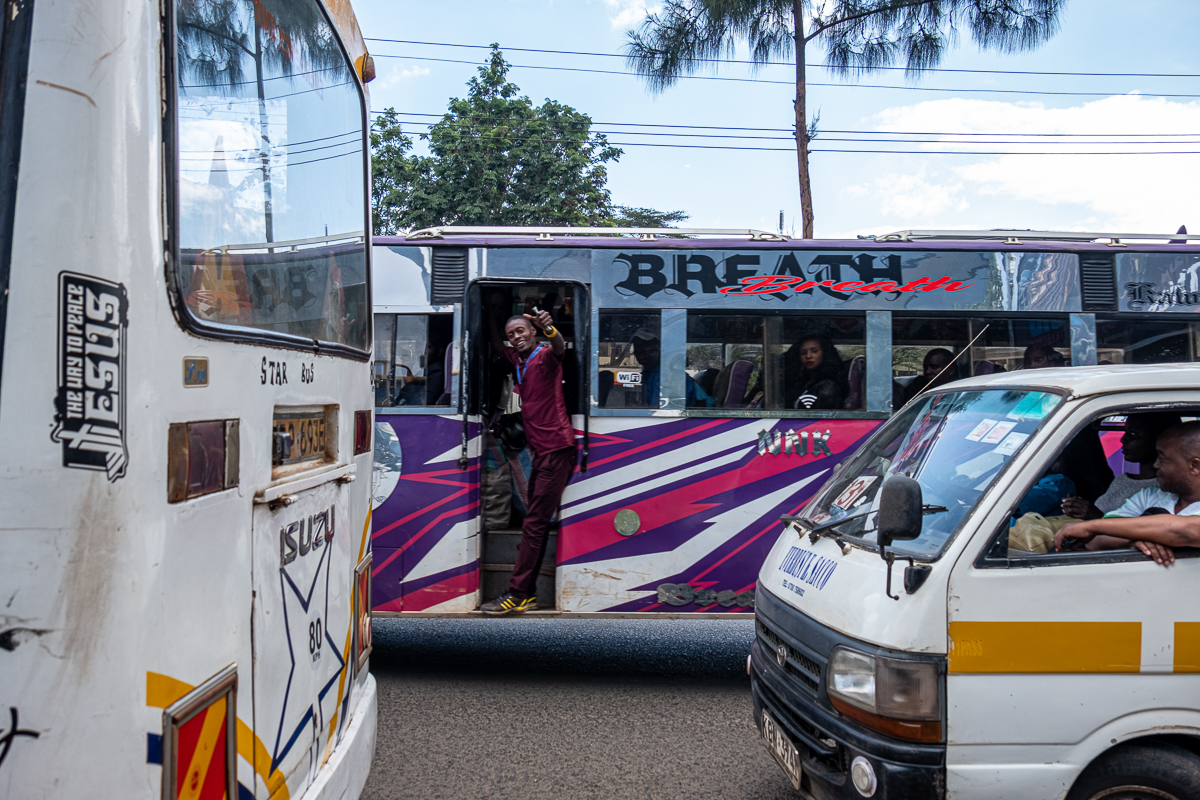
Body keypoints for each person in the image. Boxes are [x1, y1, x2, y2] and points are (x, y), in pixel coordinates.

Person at [480, 310, 577, 614]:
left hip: (557, 450)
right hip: (542, 452)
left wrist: (550, 328)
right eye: (512, 334)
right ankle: (528, 593)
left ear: (533, 332)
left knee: (534, 524)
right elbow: (499, 347)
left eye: (521, 331)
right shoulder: (519, 361)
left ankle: (518, 593)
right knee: (532, 522)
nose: (517, 337)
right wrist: (491, 309)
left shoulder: (545, 356)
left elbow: (560, 347)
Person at [1053, 421, 1200, 566]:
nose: (1156, 465)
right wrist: (1132, 541)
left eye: (1162, 458)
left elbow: (1189, 531)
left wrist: (1090, 527)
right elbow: (1097, 539)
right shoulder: (1150, 495)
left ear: (1195, 466)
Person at [1062, 412, 1181, 520]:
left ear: (1160, 439)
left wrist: (1095, 517)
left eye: (1133, 434)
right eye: (1125, 432)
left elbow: (1135, 532)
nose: (1123, 439)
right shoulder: (1124, 481)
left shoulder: (1163, 490)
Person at [782, 334, 847, 410]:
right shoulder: (801, 382)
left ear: (825, 354)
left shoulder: (828, 387)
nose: (808, 356)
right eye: (803, 352)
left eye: (814, 351)